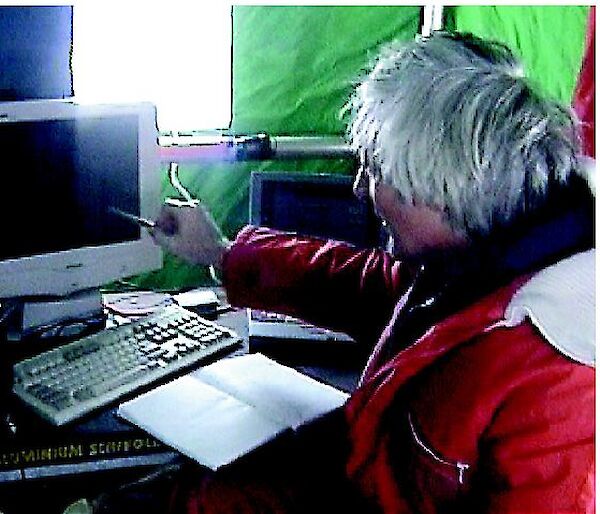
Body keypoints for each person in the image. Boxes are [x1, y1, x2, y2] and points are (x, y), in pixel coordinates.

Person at [84, 31, 595, 514]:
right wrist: (220, 253)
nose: (360, 189)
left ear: (442, 187)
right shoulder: (481, 254)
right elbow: (364, 285)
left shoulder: (558, 375)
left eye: (375, 172)